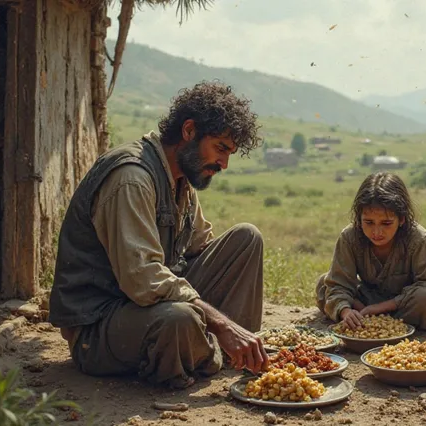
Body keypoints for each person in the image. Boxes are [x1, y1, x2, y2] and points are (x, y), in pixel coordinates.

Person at [48, 82, 267, 389]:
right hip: (103, 325)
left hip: (147, 306)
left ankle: (236, 350)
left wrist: (220, 310)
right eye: (220, 148)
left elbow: (199, 248)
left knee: (247, 238)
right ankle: (214, 351)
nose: (224, 164)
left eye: (229, 153)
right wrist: (221, 322)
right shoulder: (132, 179)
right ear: (189, 131)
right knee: (179, 320)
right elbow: (143, 279)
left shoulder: (181, 180)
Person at [316, 172, 426, 331]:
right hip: (369, 299)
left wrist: (378, 309)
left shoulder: (418, 238)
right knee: (324, 284)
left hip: (406, 304)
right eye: (369, 222)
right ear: (359, 218)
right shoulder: (350, 237)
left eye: (386, 223)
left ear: (402, 219)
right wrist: (346, 311)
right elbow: (339, 283)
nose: (377, 232)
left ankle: (377, 319)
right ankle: (369, 319)